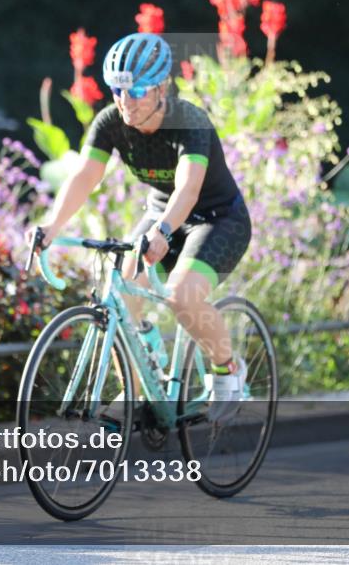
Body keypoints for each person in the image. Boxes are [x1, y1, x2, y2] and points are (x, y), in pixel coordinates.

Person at [27, 33, 252, 422]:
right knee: (119, 297)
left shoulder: (190, 122)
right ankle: (135, 393)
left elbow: (188, 188)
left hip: (217, 219)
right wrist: (51, 225)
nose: (125, 101)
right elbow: (85, 176)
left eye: (137, 91)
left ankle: (228, 369)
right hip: (162, 213)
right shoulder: (111, 122)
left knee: (183, 296)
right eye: (117, 90)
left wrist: (162, 231)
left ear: (162, 87)